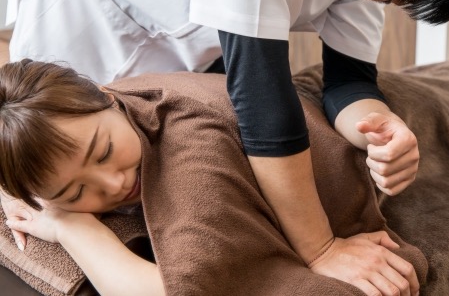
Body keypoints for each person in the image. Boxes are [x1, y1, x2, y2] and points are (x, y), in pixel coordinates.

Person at [4, 0, 449, 293]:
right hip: (85, 13)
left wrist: (381, 127)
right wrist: (321, 249)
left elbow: (349, 81)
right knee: (42, 164)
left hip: (194, 50)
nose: (394, 4)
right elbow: (262, 95)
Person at [0, 59, 419, 296]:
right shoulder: (98, 114)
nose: (113, 185)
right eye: (75, 191)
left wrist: (72, 225)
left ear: (107, 96)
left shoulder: (190, 149)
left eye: (105, 151)